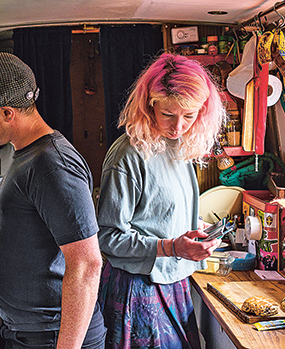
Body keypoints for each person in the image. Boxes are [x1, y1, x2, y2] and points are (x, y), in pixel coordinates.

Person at [0, 52, 106, 349]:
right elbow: (30, 220)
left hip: (54, 335)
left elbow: (87, 263)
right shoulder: (28, 155)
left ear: (7, 113)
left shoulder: (52, 165)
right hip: (32, 332)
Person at [97, 53, 226, 349]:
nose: (178, 126)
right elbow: (107, 237)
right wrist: (171, 246)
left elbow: (159, 213)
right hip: (138, 288)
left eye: (189, 115)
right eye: (168, 114)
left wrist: (195, 229)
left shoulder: (177, 145)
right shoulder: (128, 155)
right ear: (149, 105)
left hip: (175, 280)